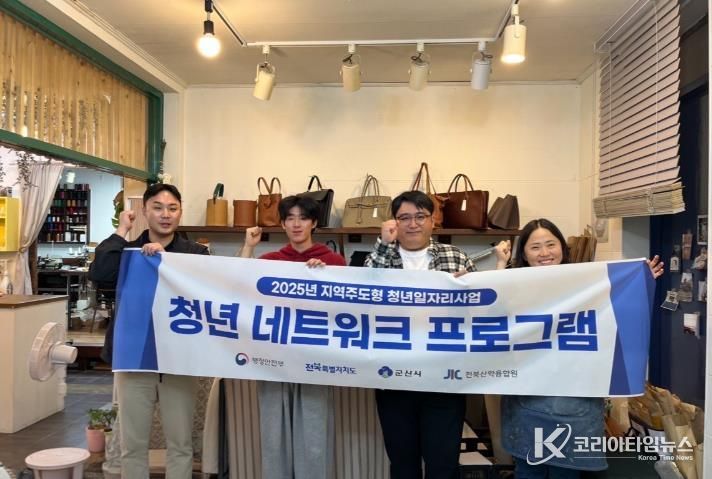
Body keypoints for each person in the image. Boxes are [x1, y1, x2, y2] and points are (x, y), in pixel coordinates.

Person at [496, 218, 663, 478]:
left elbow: (617, 314)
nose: (544, 253)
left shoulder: (587, 283)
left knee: (567, 473)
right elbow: (492, 313)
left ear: (562, 248)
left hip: (575, 402)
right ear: (524, 254)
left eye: (551, 244)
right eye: (535, 247)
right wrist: (500, 265)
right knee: (529, 471)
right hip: (527, 401)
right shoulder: (514, 285)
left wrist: (639, 282)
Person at [365, 190, 508, 479]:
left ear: (433, 221)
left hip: (445, 378)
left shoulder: (456, 257)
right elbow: (364, 296)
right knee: (402, 464)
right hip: (393, 377)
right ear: (394, 222)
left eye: (420, 216)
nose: (412, 224)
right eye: (404, 217)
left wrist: (464, 293)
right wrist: (383, 244)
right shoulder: (381, 257)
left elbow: (482, 311)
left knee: (443, 465)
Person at [89, 183, 208, 479]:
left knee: (180, 445)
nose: (165, 214)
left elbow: (208, 295)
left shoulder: (196, 253)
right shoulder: (127, 251)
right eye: (157, 207)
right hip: (134, 357)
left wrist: (167, 261)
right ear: (144, 211)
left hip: (179, 360)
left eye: (172, 208)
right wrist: (122, 230)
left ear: (180, 213)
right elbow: (100, 274)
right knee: (132, 445)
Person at [239, 195, 346, 479]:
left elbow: (346, 310)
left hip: (316, 359)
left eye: (303, 218)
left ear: (314, 223)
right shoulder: (271, 261)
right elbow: (238, 284)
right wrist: (249, 246)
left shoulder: (333, 261)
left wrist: (325, 278)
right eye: (290, 218)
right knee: (273, 434)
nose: (297, 224)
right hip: (273, 359)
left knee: (314, 435)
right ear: (283, 224)